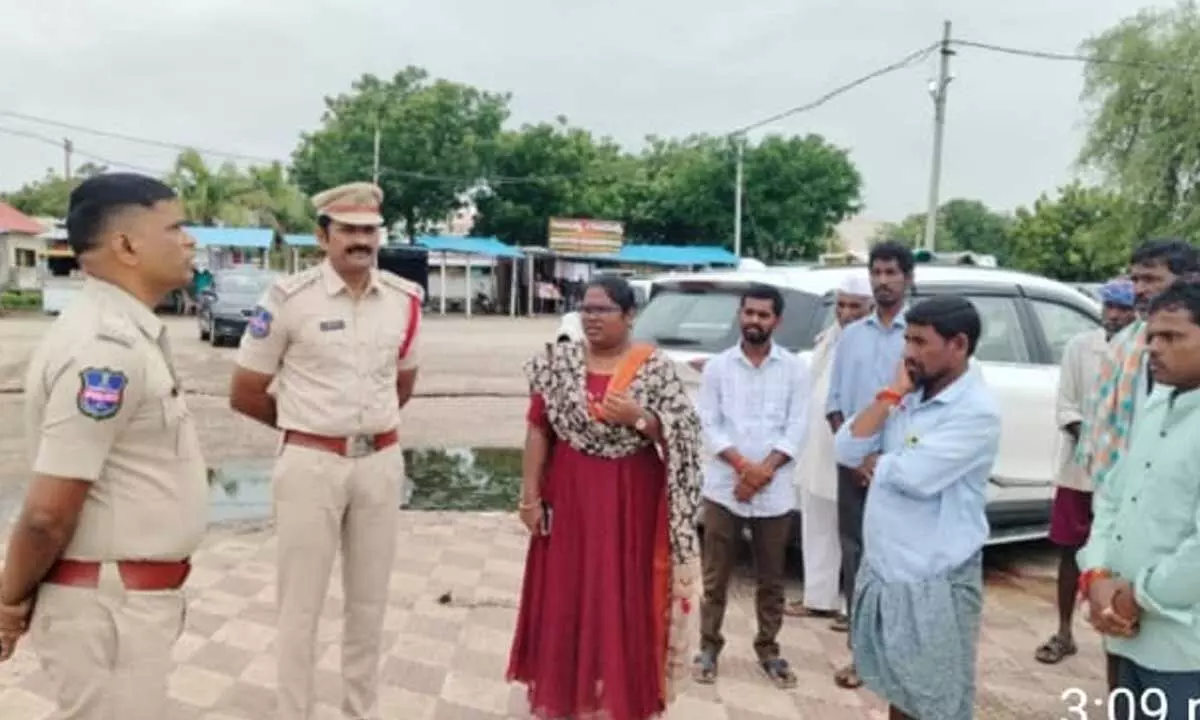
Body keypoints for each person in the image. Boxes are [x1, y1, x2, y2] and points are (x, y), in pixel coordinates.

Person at [0, 173, 206, 719]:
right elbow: (47, 513)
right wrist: (6, 603)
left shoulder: (127, 332)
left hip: (124, 603)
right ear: (127, 245)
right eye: (176, 226)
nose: (190, 240)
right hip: (107, 610)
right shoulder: (104, 348)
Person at [229, 182, 424, 720]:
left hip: (380, 464)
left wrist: (366, 433)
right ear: (323, 235)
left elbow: (402, 385)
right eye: (349, 230)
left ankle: (360, 711)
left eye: (370, 231)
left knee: (369, 605)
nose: (361, 241)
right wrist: (309, 427)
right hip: (310, 465)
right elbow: (245, 390)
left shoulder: (404, 301)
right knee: (300, 608)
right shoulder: (289, 300)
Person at [506, 275, 702, 720]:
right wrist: (529, 498)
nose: (591, 318)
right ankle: (567, 690)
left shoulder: (652, 367)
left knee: (622, 591)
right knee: (567, 589)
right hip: (570, 492)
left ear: (629, 315)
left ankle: (620, 692)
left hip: (630, 496)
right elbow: (539, 429)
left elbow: (684, 432)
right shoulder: (558, 363)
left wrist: (641, 418)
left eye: (602, 310)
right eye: (586, 309)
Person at [834, 295, 1001, 720]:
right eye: (907, 339)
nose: (908, 351)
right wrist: (891, 394)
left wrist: (881, 464)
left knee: (935, 702)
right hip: (891, 572)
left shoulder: (976, 410)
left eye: (920, 341)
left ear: (958, 345)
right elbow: (847, 448)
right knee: (901, 693)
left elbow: (916, 477)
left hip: (934, 580)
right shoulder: (908, 392)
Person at [1078, 278, 1200, 720]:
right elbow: (1113, 498)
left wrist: (1135, 597)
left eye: (1173, 337)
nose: (1154, 348)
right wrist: (1095, 574)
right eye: (1151, 336)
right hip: (1126, 635)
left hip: (1185, 651)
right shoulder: (1157, 405)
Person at [692, 284, 812, 689]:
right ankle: (709, 647)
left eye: (763, 315)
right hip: (724, 488)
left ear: (776, 320)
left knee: (772, 578)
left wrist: (764, 472)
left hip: (774, 491)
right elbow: (709, 424)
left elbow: (797, 427)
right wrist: (745, 469)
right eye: (749, 313)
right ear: (740, 316)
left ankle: (769, 649)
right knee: (715, 577)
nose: (754, 321)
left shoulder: (795, 369)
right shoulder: (718, 368)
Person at [824, 241, 914, 690]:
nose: (882, 280)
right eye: (876, 271)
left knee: (896, 560)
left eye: (891, 272)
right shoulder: (852, 335)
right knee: (856, 558)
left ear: (907, 279)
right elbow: (835, 404)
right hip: (854, 469)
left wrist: (883, 460)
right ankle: (860, 655)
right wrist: (857, 458)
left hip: (903, 470)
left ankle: (895, 653)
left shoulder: (918, 335)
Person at [1035, 278, 1136, 665]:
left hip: (1125, 473)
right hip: (1081, 469)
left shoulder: (1142, 350)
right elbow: (1067, 407)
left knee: (1118, 554)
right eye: (1109, 307)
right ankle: (1063, 631)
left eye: (1123, 309)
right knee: (1068, 549)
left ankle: (1116, 633)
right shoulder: (1080, 347)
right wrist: (1094, 447)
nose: (1114, 315)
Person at [786, 273, 873, 621]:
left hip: (854, 448)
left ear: (870, 307)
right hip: (818, 447)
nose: (846, 312)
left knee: (855, 532)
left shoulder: (873, 342)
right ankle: (818, 598)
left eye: (855, 306)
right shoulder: (829, 337)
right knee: (817, 523)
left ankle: (855, 608)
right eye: (841, 305)